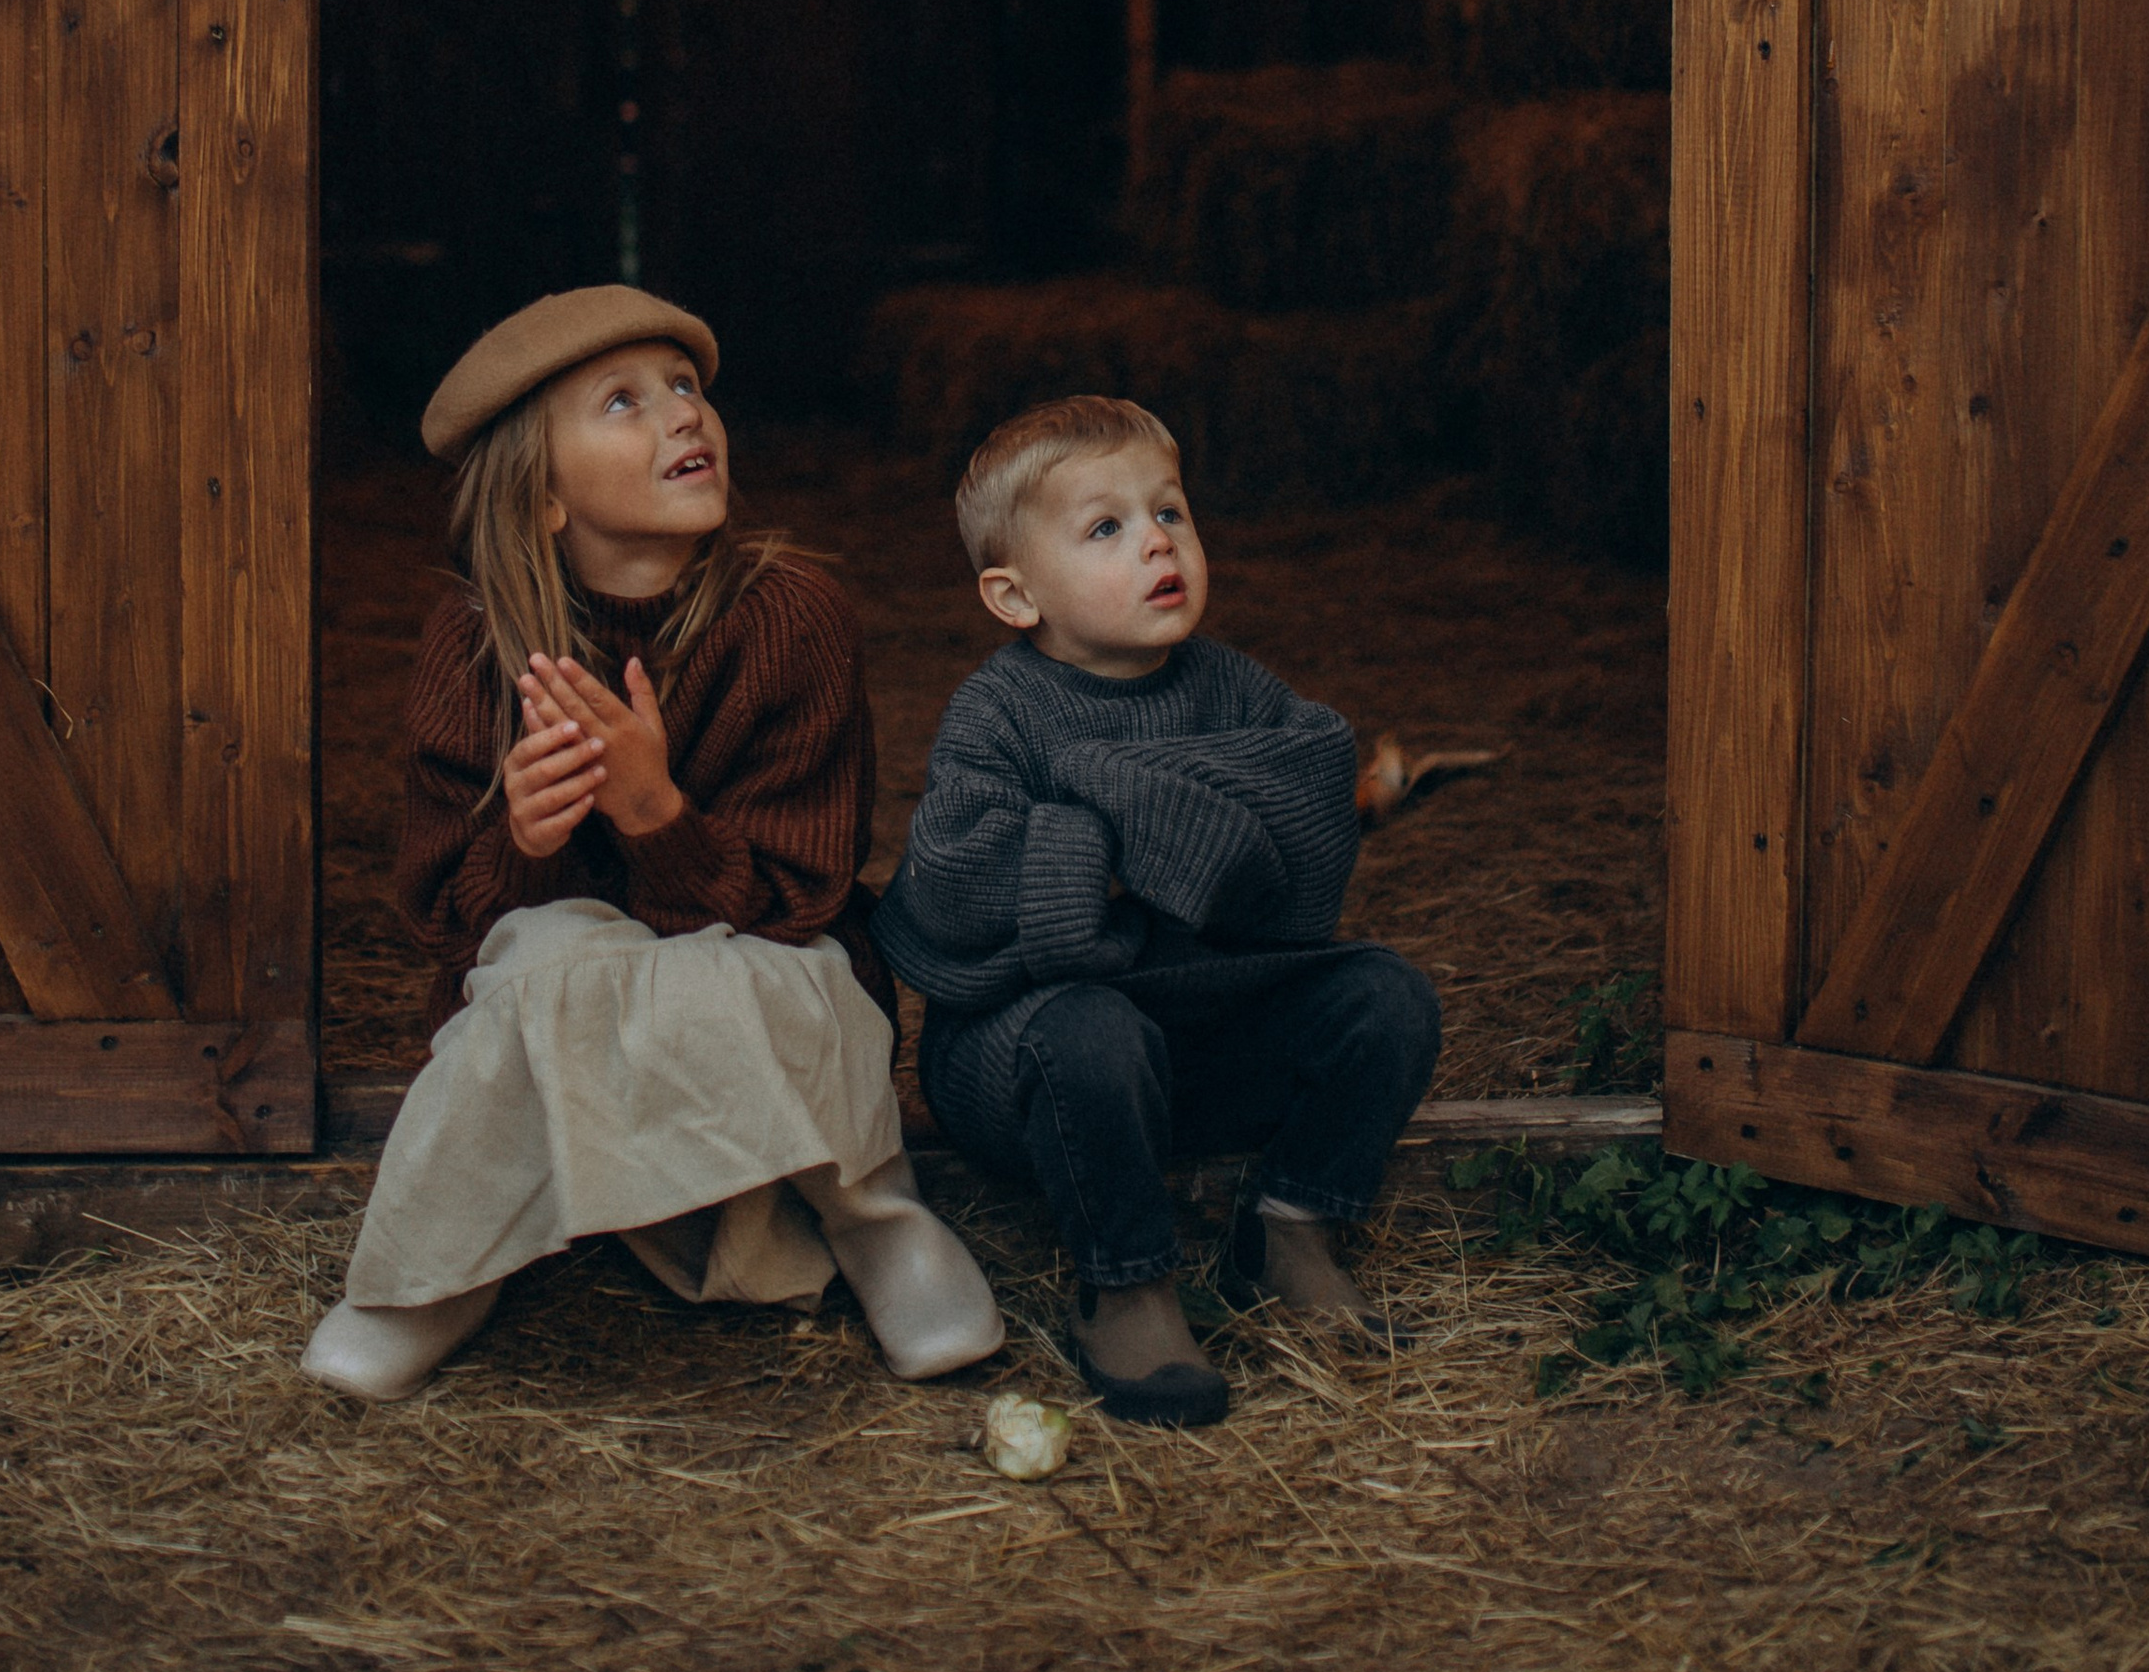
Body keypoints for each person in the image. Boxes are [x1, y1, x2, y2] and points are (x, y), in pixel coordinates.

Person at [304, 286, 1004, 1402]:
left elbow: (800, 895)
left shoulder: (792, 615)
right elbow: (447, 919)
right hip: (563, 976)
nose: (682, 415)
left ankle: (875, 1220)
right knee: (538, 954)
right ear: (540, 497)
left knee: (805, 978)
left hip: (753, 958)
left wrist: (653, 815)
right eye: (623, 402)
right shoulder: (475, 643)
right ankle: (432, 1281)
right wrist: (528, 841)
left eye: (684, 387)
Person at [875, 394, 1440, 1428]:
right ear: (1013, 594)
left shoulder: (1228, 686)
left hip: (1199, 1033)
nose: (1156, 542)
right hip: (1029, 1054)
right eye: (1106, 527)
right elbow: (956, 885)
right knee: (1092, 1029)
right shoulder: (996, 714)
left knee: (1385, 995)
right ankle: (1127, 1280)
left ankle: (1291, 1225)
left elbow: (1313, 798)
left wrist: (1112, 818)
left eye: (1169, 512)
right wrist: (1154, 833)